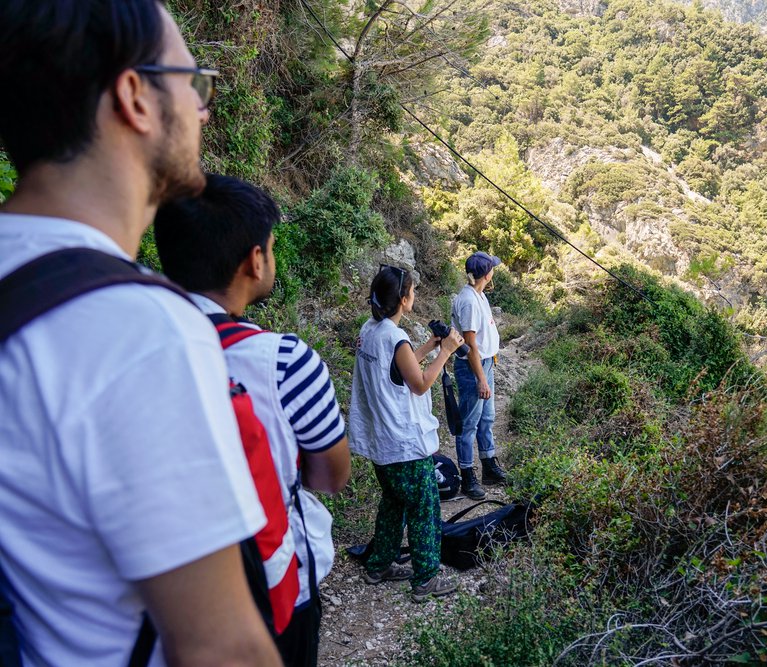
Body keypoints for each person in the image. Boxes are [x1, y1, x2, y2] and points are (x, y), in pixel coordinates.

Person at [0, 1, 281, 665]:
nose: (204, 108)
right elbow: (220, 649)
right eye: (194, 83)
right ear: (136, 96)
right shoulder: (138, 330)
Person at [154, 174, 352, 666]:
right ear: (255, 260)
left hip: (166, 597)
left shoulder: (138, 353)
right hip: (274, 590)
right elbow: (331, 476)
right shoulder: (285, 360)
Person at [350, 266, 465, 602]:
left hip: (381, 443)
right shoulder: (393, 337)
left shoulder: (371, 330)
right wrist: (445, 352)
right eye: (412, 291)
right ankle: (426, 579)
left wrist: (430, 344)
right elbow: (418, 383)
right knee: (424, 508)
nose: (414, 296)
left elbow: (398, 369)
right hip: (403, 444)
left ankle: (379, 565)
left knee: (393, 503)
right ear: (403, 299)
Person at [450, 251, 509, 499]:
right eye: (492, 268)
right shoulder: (469, 302)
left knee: (487, 417)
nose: (494, 271)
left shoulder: (479, 295)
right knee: (469, 423)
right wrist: (481, 379)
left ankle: (489, 465)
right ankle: (467, 476)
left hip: (486, 363)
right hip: (473, 366)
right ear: (487, 274)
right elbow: (470, 345)